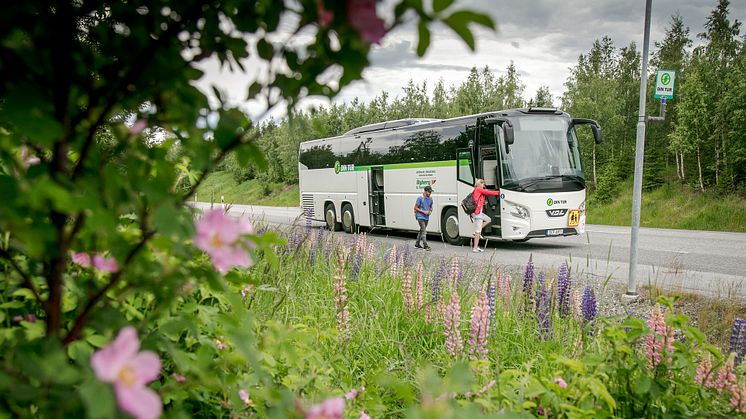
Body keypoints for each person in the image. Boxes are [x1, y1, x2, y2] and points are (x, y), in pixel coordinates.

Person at [471, 178, 500, 253]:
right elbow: (488, 192)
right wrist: (499, 192)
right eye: (482, 183)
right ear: (479, 184)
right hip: (478, 213)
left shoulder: (478, 190)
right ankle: (475, 248)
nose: (484, 184)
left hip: (479, 212)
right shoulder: (478, 189)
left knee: (488, 220)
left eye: (484, 183)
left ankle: (476, 241)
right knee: (478, 232)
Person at [413, 185, 433, 251]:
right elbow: (415, 207)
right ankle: (425, 246)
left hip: (426, 217)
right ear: (425, 191)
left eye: (430, 192)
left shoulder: (430, 199)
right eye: (429, 192)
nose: (430, 193)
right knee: (424, 231)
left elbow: (431, 206)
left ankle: (417, 244)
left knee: (421, 231)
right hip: (420, 216)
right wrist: (424, 212)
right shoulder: (420, 198)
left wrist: (430, 211)